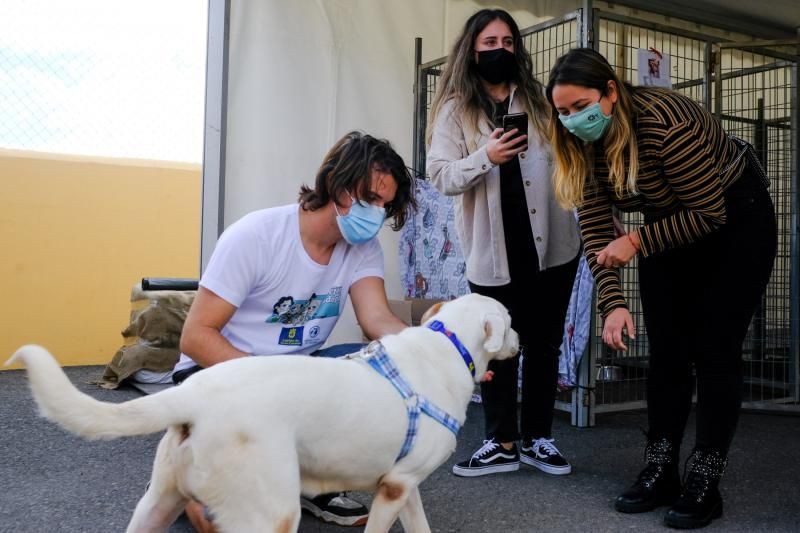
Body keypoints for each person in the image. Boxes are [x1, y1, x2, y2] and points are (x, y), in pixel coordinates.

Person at [546, 48, 776, 529]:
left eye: (579, 106)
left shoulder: (664, 123)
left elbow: (709, 213)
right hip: (668, 222)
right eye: (562, 111)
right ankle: (660, 466)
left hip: (736, 216)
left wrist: (635, 241)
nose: (571, 120)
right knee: (667, 349)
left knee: (716, 349)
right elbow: (594, 228)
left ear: (610, 92)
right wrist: (612, 303)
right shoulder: (581, 144)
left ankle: (705, 476)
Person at [172, 131, 415, 531]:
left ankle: (313, 482)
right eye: (370, 198)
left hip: (295, 378)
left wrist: (437, 351)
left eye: (384, 206)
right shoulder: (256, 236)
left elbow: (378, 322)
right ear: (336, 181)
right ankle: (192, 475)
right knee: (238, 505)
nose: (376, 213)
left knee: (369, 372)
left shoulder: (363, 250)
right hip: (218, 374)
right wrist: (268, 384)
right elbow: (195, 337)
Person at [426, 8, 582, 478]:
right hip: (492, 250)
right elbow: (440, 176)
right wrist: (485, 156)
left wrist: (603, 216)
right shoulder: (455, 109)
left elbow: (575, 162)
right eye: (490, 42)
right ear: (472, 49)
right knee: (494, 344)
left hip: (553, 244)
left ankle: (538, 438)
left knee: (544, 343)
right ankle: (500, 441)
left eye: (508, 42)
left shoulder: (539, 100)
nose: (500, 50)